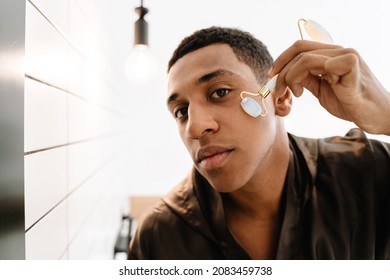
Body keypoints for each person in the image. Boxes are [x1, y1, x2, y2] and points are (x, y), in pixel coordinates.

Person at [128, 26, 390, 259]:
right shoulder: (158, 237)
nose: (195, 127)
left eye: (220, 92)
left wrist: (386, 116)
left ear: (280, 98)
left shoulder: (368, 172)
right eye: (181, 111)